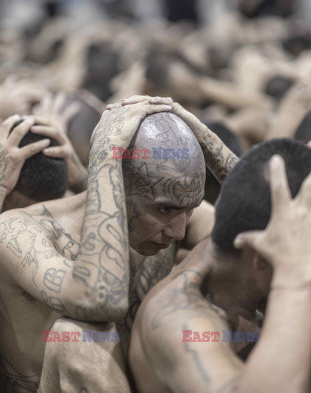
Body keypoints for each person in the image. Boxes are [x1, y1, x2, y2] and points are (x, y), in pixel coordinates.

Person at [0, 97, 233, 392]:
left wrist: (205, 139)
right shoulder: (18, 231)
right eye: (165, 210)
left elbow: (269, 234)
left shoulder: (172, 211)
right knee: (78, 341)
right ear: (112, 184)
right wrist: (105, 157)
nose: (179, 231)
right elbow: (100, 299)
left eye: (191, 209)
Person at [129, 138, 311, 393]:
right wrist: (295, 280)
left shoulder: (238, 233)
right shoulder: (179, 322)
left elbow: (262, 182)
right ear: (263, 259)